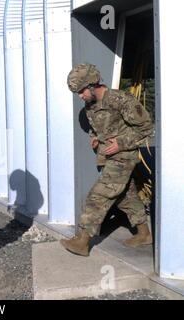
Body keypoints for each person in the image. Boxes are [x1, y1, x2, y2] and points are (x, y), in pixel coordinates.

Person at [60, 63, 155, 257]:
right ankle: (144, 234)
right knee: (125, 197)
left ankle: (82, 240)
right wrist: (94, 138)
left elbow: (146, 127)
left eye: (81, 92)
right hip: (108, 158)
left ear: (93, 85)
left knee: (98, 196)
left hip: (123, 157)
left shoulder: (121, 100)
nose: (80, 96)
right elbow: (98, 129)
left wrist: (121, 143)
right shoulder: (90, 105)